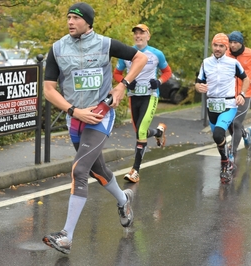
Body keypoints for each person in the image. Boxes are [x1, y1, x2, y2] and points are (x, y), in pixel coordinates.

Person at [41, 2, 148, 254]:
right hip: (76, 118)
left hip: (100, 116)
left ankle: (66, 236)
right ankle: (124, 200)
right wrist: (73, 111)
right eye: (68, 17)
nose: (70, 22)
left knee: (79, 170)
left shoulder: (104, 44)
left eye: (76, 18)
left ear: (88, 22)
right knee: (96, 170)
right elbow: (48, 89)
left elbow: (140, 58)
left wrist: (123, 85)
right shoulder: (57, 49)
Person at [113, 24, 172, 183]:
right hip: (134, 97)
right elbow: (117, 73)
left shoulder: (156, 54)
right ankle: (159, 132)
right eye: (136, 34)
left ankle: (135, 171)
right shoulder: (126, 54)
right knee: (141, 132)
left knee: (141, 132)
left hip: (150, 96)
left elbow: (167, 72)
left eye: (142, 33)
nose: (138, 36)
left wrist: (158, 82)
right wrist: (125, 82)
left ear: (148, 36)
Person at [195, 33, 249, 183]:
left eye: (221, 46)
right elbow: (198, 82)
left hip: (229, 105)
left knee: (219, 134)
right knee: (218, 139)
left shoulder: (233, 63)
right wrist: (199, 87)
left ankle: (225, 164)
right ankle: (227, 161)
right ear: (211, 46)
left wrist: (242, 95)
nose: (218, 49)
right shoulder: (206, 63)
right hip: (212, 105)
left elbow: (245, 79)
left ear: (226, 47)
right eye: (215, 45)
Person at [226, 31, 251, 158]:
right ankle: (245, 134)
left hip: (245, 93)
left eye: (235, 43)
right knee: (228, 122)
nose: (232, 45)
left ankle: (232, 153)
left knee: (236, 123)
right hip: (228, 92)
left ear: (241, 43)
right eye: (230, 42)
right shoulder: (225, 53)